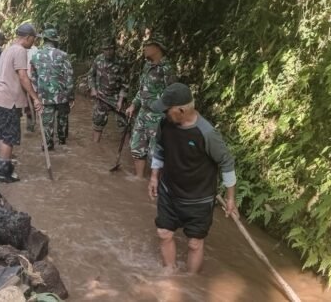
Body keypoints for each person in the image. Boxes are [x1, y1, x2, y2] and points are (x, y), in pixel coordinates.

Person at [148, 83, 237, 274]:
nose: (163, 114)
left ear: (181, 110)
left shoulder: (206, 133)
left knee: (195, 244)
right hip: (169, 191)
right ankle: (169, 276)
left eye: (167, 110)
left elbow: (226, 162)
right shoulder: (165, 123)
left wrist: (230, 199)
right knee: (164, 233)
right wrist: (154, 176)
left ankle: (191, 282)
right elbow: (160, 149)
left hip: (199, 199)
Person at [0, 23, 42, 182]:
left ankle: (4, 166)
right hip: (7, 100)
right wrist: (35, 97)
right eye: (33, 38)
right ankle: (3, 174)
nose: (34, 42)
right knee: (9, 137)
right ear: (27, 37)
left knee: (3, 134)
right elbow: (23, 77)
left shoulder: (9, 49)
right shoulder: (20, 51)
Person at [125, 33, 177, 178]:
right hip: (142, 114)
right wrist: (133, 105)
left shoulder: (167, 69)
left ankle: (155, 184)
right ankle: (138, 179)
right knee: (136, 147)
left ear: (157, 48)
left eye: (148, 46)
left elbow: (173, 94)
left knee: (156, 153)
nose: (144, 49)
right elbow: (143, 89)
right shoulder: (147, 66)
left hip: (158, 117)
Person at [30, 28, 74, 150]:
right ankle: (62, 143)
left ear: (44, 40)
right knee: (62, 121)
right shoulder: (63, 55)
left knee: (47, 123)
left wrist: (36, 96)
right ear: (55, 40)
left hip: (44, 97)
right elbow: (69, 78)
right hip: (62, 96)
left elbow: (33, 79)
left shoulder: (35, 56)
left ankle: (48, 145)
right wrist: (71, 96)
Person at [88, 37, 129, 143]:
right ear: (102, 50)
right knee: (98, 123)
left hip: (116, 98)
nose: (108, 52)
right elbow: (91, 75)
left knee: (123, 124)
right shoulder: (98, 59)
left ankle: (127, 150)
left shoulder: (121, 62)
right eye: (106, 49)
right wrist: (93, 89)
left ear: (115, 49)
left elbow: (125, 84)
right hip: (101, 97)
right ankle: (95, 148)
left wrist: (120, 100)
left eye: (111, 49)